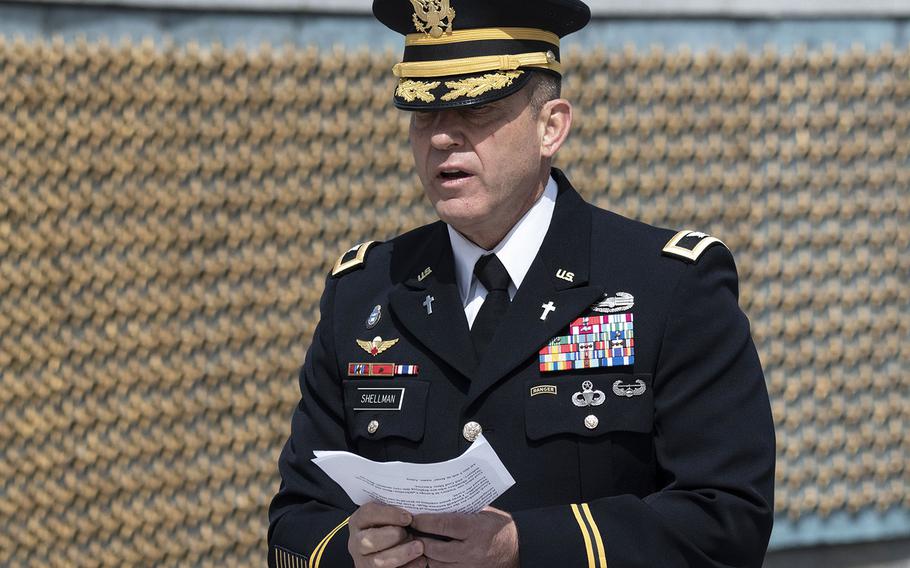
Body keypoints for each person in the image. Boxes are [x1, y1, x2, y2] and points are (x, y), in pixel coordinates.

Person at [268, 1, 775, 566]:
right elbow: (294, 521)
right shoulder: (364, 292)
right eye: (423, 114)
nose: (442, 139)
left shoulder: (666, 285)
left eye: (477, 109)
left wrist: (522, 546)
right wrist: (353, 551)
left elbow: (727, 520)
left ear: (550, 127)